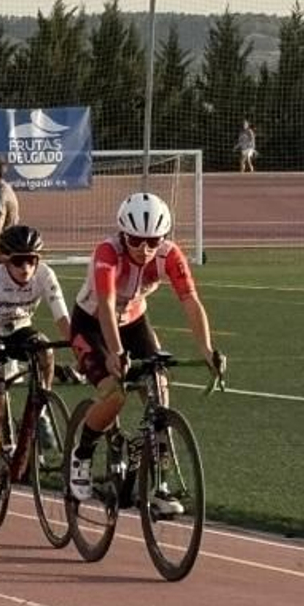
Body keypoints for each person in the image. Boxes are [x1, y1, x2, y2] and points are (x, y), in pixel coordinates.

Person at [66, 193, 226, 516]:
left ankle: (161, 487)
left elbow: (191, 303)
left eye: (153, 240)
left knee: (160, 392)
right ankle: (81, 455)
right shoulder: (107, 253)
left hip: (135, 320)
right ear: (124, 235)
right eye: (137, 240)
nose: (145, 248)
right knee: (115, 394)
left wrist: (207, 350)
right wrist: (115, 353)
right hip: (93, 324)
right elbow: (107, 307)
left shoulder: (170, 255)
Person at [0, 225, 71, 520]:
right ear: (4, 259)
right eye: (18, 261)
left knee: (46, 351)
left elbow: (63, 318)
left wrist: (84, 354)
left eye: (31, 260)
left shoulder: (45, 275)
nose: (25, 267)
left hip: (22, 328)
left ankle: (39, 412)